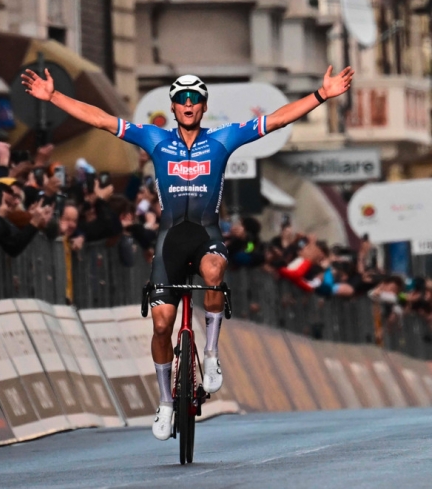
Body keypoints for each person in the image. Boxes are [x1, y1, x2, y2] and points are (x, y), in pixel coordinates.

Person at [22, 64, 354, 440]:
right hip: (170, 240)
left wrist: (322, 96)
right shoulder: (155, 139)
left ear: (204, 106)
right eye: (181, 99)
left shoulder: (223, 139)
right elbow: (101, 120)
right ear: (174, 107)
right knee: (161, 325)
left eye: (195, 99)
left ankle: (210, 355)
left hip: (206, 234)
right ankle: (165, 402)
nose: (188, 104)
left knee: (214, 272)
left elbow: (275, 121)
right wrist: (54, 97)